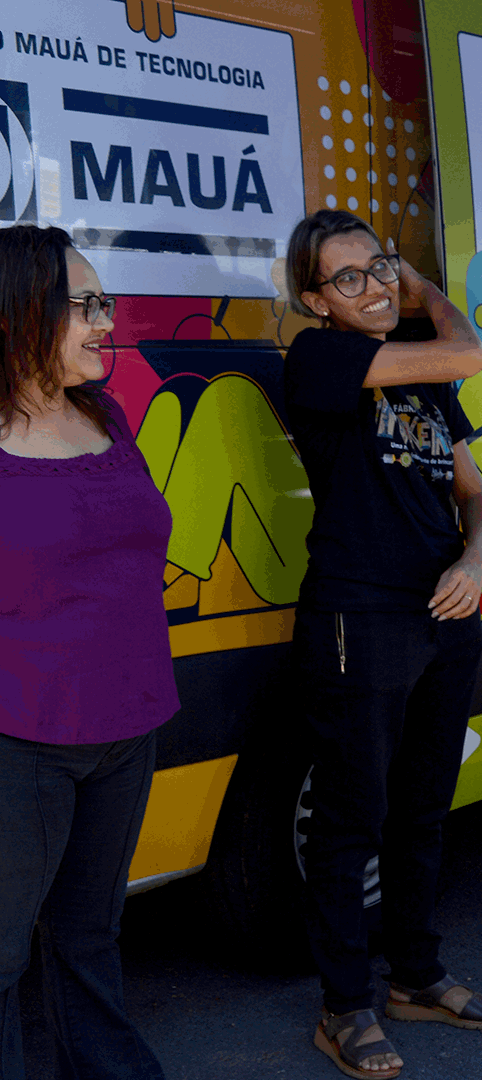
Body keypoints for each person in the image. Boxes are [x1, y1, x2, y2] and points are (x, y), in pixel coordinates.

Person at [281, 210, 482, 1080]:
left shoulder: (423, 382)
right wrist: (425, 293)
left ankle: (416, 976)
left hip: (444, 614)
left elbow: (475, 494)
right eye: (349, 278)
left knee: (423, 806)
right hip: (358, 617)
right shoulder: (323, 359)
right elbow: (471, 351)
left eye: (380, 268)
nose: (373, 287)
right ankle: (344, 1007)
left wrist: (474, 559)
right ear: (314, 299)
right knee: (351, 819)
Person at [0, 225, 172, 1080]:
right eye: (85, 305)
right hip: (20, 739)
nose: (107, 321)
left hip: (127, 729)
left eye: (106, 303)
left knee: (89, 938)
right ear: (19, 311)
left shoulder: (105, 414)